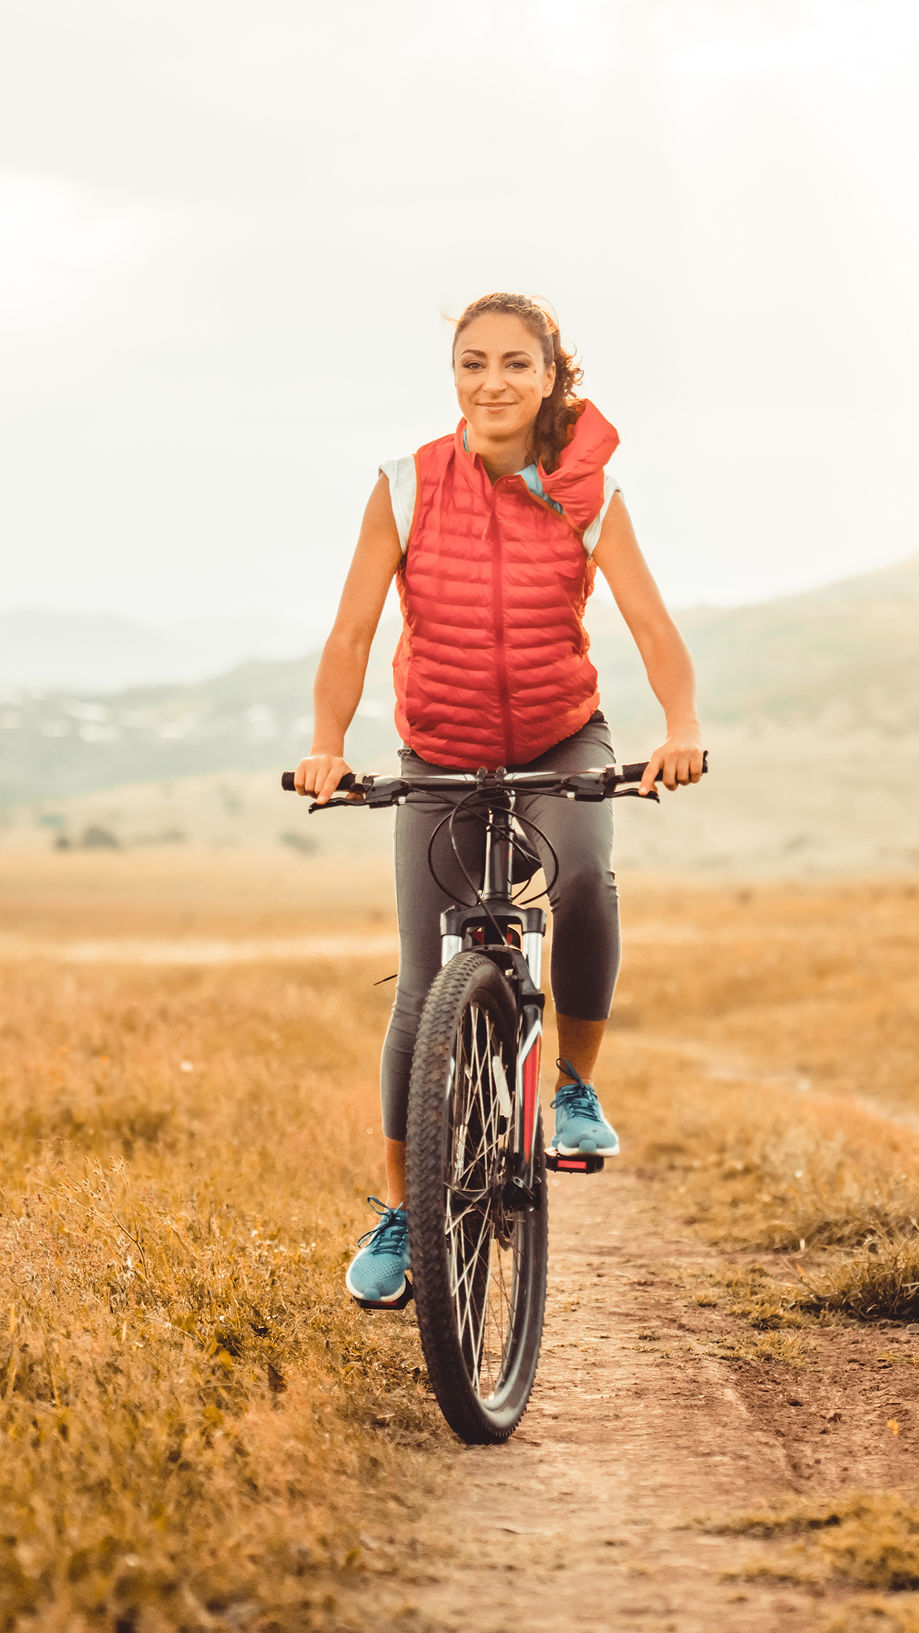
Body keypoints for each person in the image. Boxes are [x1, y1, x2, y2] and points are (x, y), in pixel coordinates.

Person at [289, 293, 705, 1308]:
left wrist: (681, 725)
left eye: (515, 364)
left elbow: (647, 621)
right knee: (419, 982)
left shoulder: (587, 490)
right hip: (439, 749)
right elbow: (351, 634)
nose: (492, 383)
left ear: (553, 375)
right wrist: (327, 748)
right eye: (472, 364)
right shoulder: (404, 484)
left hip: (563, 733)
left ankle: (573, 1092)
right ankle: (400, 1212)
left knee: (583, 876)